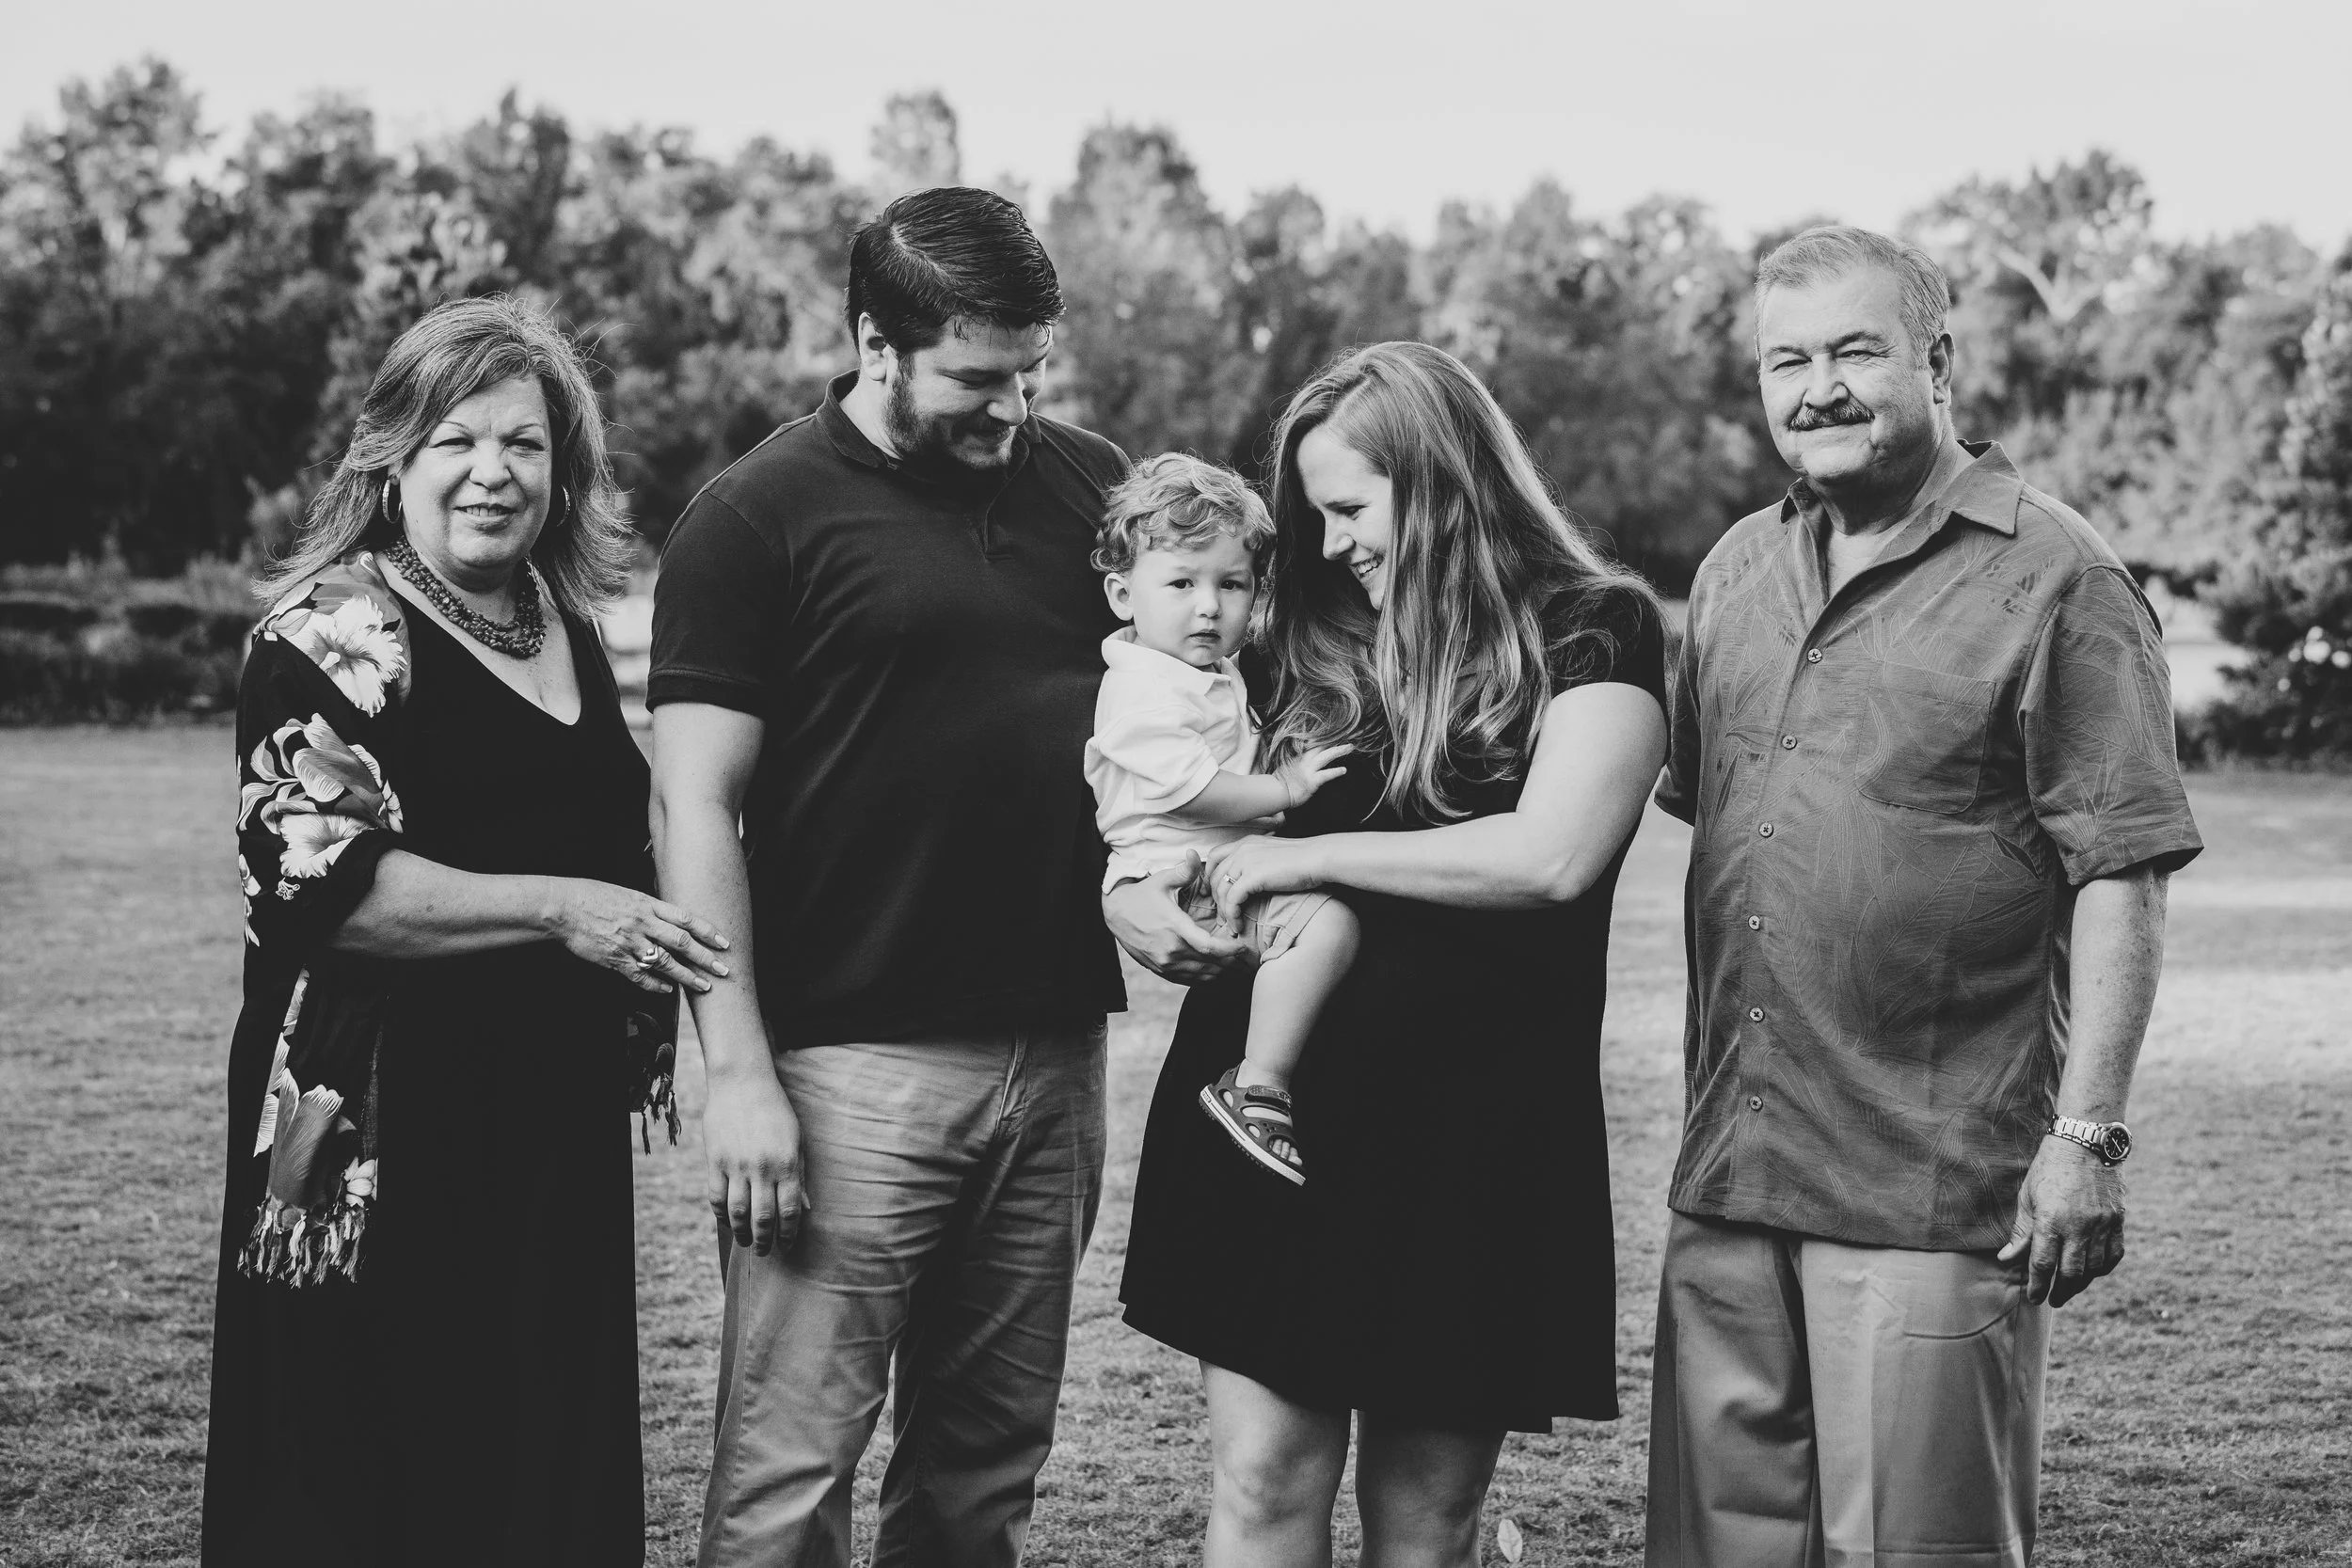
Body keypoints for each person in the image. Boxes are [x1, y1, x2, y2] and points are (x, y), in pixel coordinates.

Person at [1645, 226, 2202, 1568]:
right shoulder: (1733, 571)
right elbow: (1718, 822)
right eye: (1786, 360)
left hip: (1931, 1181)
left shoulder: (2060, 574)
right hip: (1732, 1169)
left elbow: (2121, 870)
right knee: (1716, 1551)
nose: (1816, 389)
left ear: (1938, 360)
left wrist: (2088, 1137)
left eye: (1853, 352)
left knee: (1916, 1548)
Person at [1115, 341, 1669, 1568]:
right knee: (1263, 1480)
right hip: (1271, 1113)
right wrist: (1128, 895)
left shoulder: (1595, 628)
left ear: (1442, 483)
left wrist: (1314, 857)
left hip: (1476, 1133)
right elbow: (1148, 779)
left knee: (1426, 1524)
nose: (1329, 543)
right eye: (1313, 513)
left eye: (1351, 508)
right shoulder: (1288, 642)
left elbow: (1552, 855)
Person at [200, 295, 733, 1568]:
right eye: (457, 440)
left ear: (564, 468)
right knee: (380, 1458)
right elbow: (324, 889)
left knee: (532, 1443)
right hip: (383, 1127)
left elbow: (619, 827)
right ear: (391, 456)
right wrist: (561, 906)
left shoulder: (561, 623)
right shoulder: (334, 628)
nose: (493, 471)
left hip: (544, 1115)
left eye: (524, 443)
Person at [647, 186, 1130, 1568]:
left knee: (985, 1470)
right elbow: (693, 803)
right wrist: (739, 1071)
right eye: (977, 379)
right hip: (843, 1068)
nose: (1012, 409)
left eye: (1032, 372)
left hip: (1055, 1056)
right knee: (788, 1475)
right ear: (875, 343)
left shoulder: (1094, 485)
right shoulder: (754, 516)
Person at [1085, 452, 1358, 1185]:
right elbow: (1191, 790)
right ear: (1122, 594)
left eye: (1231, 584)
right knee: (1329, 927)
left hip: (1208, 863)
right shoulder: (1142, 687)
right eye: (1182, 583)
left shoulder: (1202, 670)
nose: (1209, 606)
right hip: (1185, 875)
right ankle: (1258, 1084)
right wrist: (1284, 787)